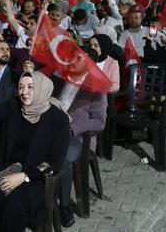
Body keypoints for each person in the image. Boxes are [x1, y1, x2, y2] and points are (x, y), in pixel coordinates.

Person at [0, 72, 70, 232]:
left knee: (12, 210)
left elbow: (54, 162)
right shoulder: (15, 105)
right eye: (20, 87)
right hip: (4, 167)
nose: (24, 92)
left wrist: (23, 177)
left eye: (30, 87)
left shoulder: (58, 119)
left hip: (34, 177)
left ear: (42, 88)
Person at [53, 76, 107, 228]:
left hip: (79, 137)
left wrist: (73, 127)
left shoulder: (97, 88)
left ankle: (64, 206)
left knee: (62, 158)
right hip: (55, 131)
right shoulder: (60, 79)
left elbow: (99, 121)